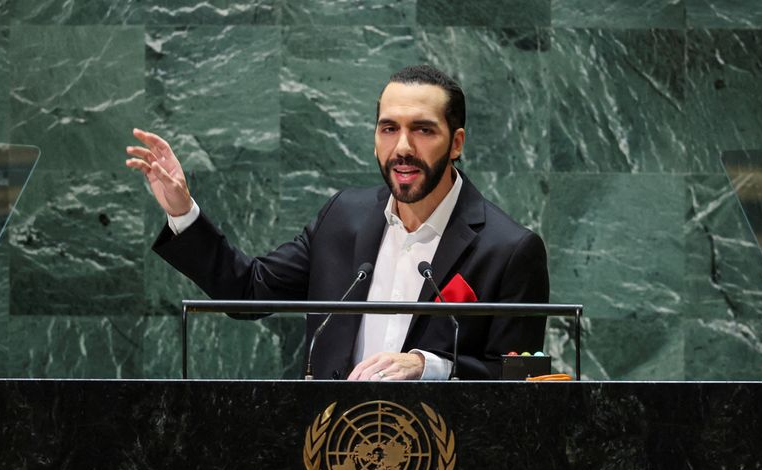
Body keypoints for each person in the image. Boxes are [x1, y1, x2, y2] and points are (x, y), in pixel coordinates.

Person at [126, 64, 549, 381]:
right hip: (329, 451)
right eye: (388, 128)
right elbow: (246, 292)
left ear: (456, 142)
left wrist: (430, 366)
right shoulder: (342, 218)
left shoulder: (509, 250)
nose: (402, 147)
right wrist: (181, 209)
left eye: (423, 130)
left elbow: (518, 382)